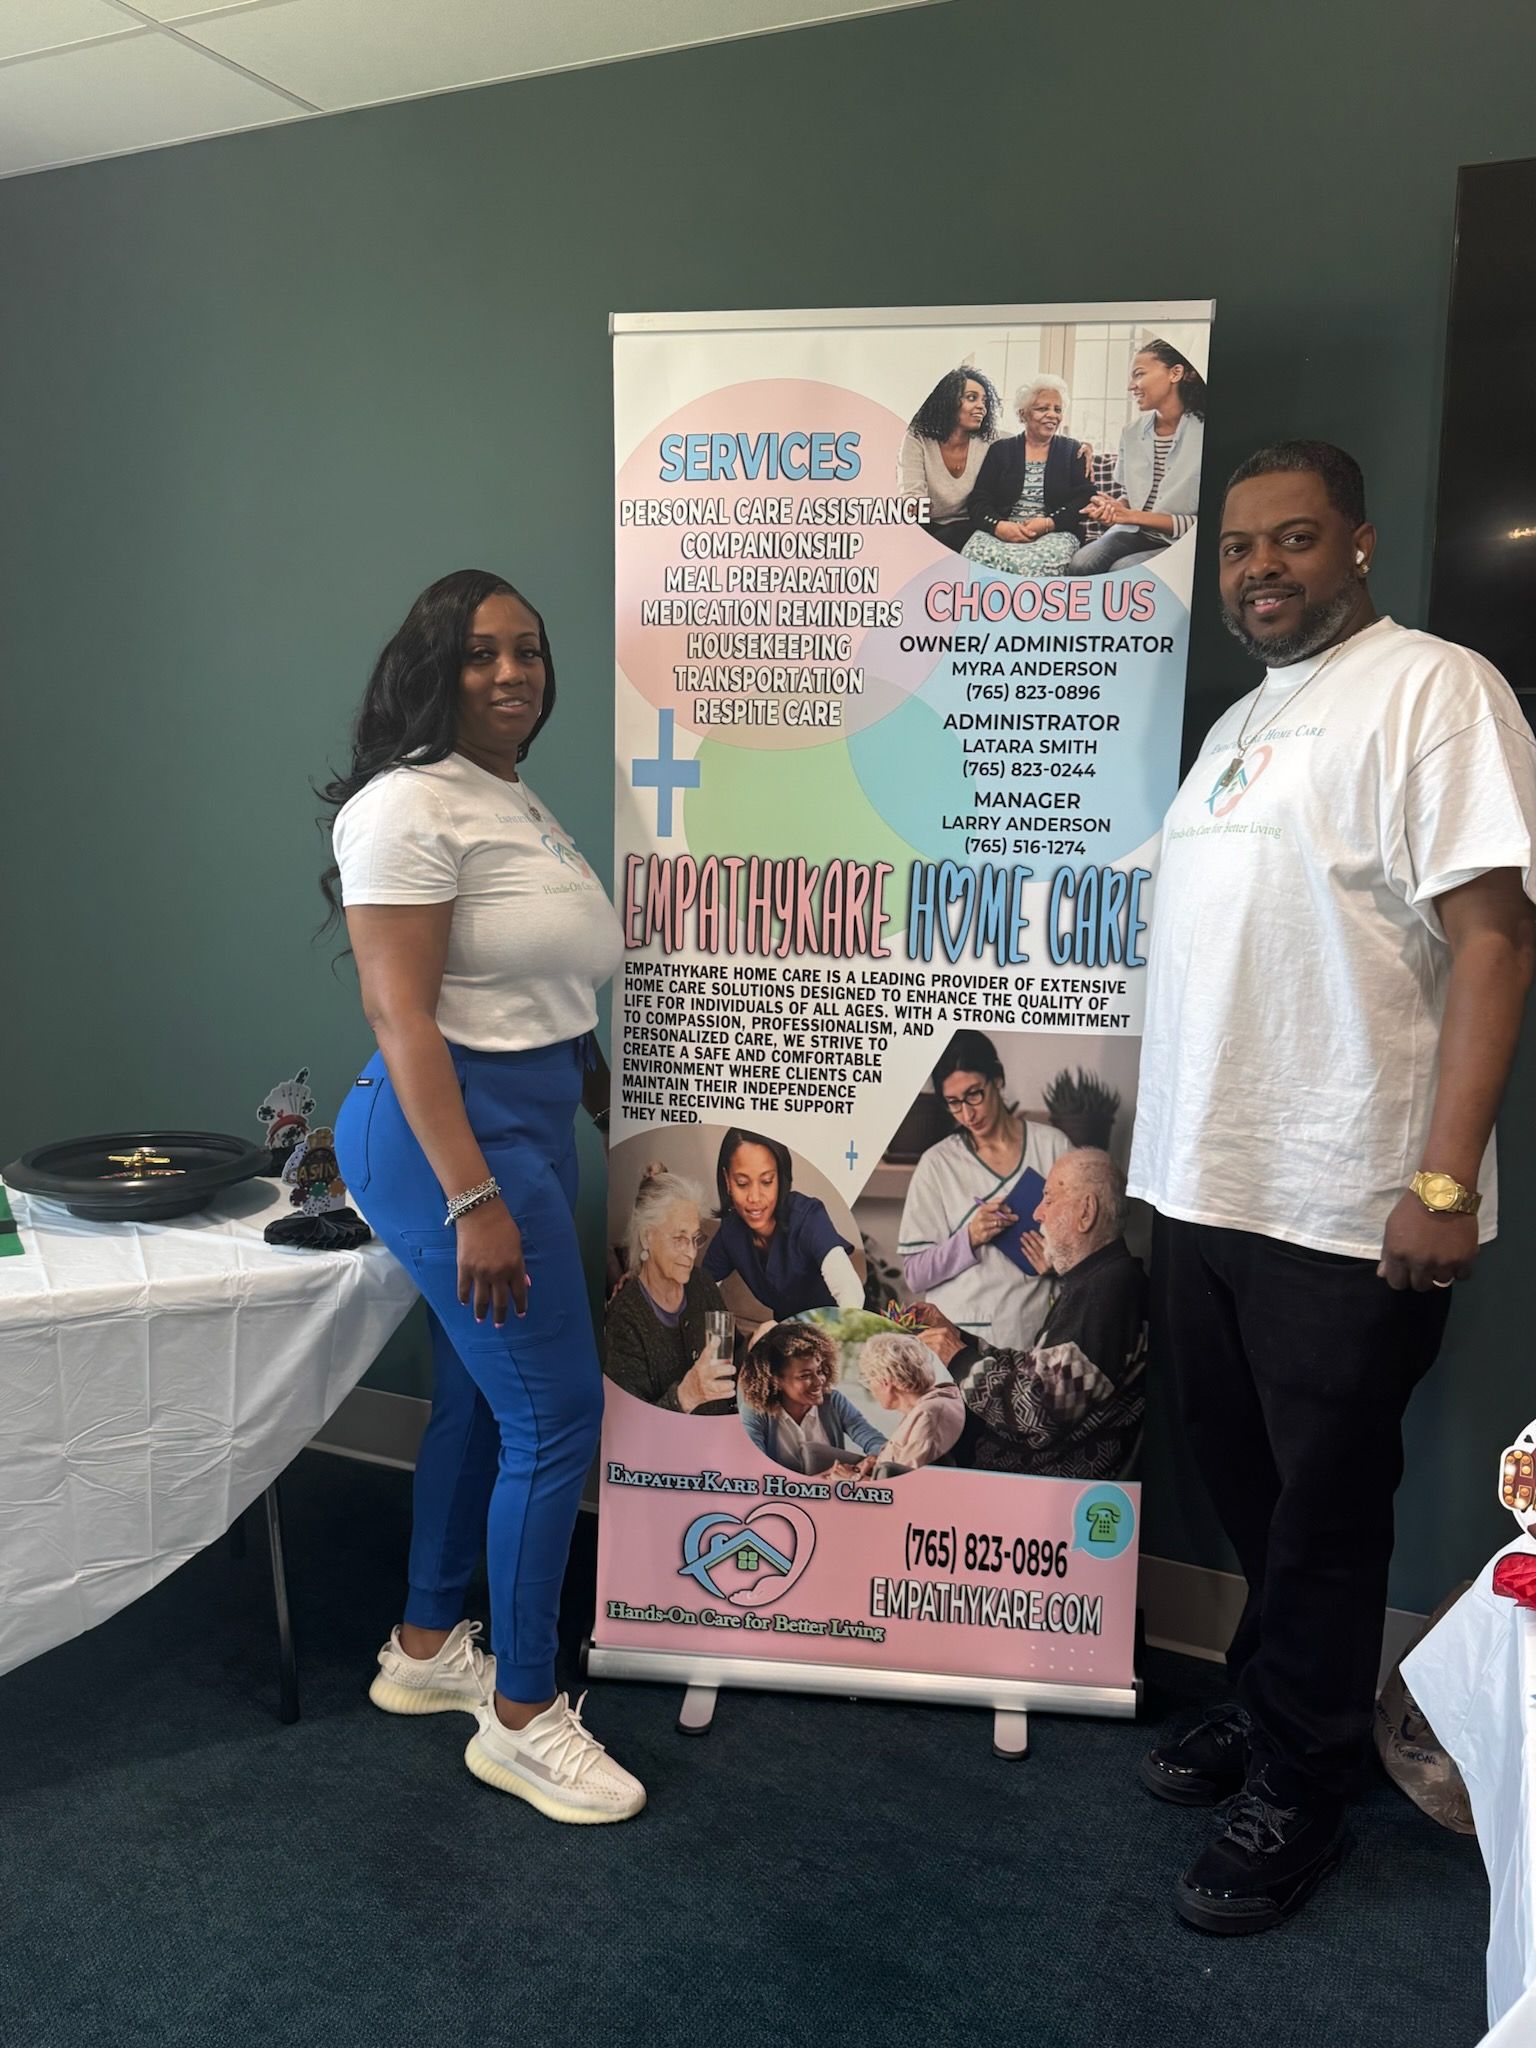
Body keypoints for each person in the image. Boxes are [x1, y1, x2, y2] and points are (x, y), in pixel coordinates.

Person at [1128, 442, 1536, 1932]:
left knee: (1325, 1506)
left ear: (1357, 544)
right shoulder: (1242, 717)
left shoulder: (1437, 691)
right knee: (1250, 1488)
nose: (1261, 570)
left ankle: (1306, 1776)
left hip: (1346, 1193)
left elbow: (1495, 941)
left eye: (1293, 541)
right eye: (1240, 548)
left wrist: (1444, 1177)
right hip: (1206, 1183)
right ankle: (1278, 1698)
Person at [324, 567, 645, 1825]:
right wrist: (473, 1201)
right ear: (431, 668)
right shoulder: (405, 804)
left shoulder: (507, 794)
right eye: (479, 654)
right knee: (557, 1413)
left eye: (529, 651)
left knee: (481, 1388)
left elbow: (548, 992)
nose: (513, 673)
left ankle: (421, 1646)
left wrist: (606, 1102)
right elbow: (400, 1016)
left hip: (518, 1118)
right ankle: (519, 1715)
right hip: (440, 1133)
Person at [913, 1149, 1146, 1478]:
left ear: (1086, 1211)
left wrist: (957, 1357)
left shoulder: (1108, 1290)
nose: (1037, 1213)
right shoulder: (1097, 1281)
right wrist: (955, 1337)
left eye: (1049, 1198)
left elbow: (1036, 1411)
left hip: (1036, 1491)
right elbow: (1034, 1374)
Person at [897, 1031, 1071, 1352]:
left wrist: (1057, 1262)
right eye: (954, 1103)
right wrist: (970, 1237)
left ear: (998, 1080)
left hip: (1036, 1336)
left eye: (974, 1094)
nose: (967, 1114)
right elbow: (915, 1275)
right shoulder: (937, 1164)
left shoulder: (1053, 1146)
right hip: (959, 1342)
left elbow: (1090, 1250)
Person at [1070, 339, 1207, 575]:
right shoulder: (1131, 432)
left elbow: (1207, 521)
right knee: (1082, 563)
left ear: (1175, 373)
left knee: (1123, 570)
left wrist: (1132, 515)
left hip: (1183, 541)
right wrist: (1113, 509)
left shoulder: (1206, 434)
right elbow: (1130, 498)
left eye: (1139, 374)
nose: (1131, 386)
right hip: (1137, 532)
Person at [604, 1171, 736, 1413]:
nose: (692, 1253)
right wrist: (685, 1396)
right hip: (670, 1448)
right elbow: (630, 1425)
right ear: (647, 1237)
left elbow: (733, 1357)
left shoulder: (702, 1283)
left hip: (720, 1434)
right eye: (679, 1238)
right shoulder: (624, 1318)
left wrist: (759, 1347)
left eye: (695, 1238)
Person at [703, 1128, 863, 1318]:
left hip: (837, 1334)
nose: (754, 1197)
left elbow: (851, 1295)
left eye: (767, 1181)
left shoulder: (807, 1217)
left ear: (780, 1178)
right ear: (727, 1180)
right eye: (742, 1183)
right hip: (784, 1339)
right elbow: (701, 1291)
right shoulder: (731, 1232)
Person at [962, 377, 1096, 578]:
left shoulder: (1073, 451)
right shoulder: (1001, 450)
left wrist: (1049, 523)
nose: (1052, 415)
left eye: (1057, 410)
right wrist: (998, 526)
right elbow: (979, 499)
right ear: (1022, 414)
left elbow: (1084, 500)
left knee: (1034, 566)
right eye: (1043, 409)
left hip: (1054, 532)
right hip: (1005, 528)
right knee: (973, 559)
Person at [738, 1322, 887, 1474]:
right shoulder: (754, 1412)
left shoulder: (834, 1401)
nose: (819, 1381)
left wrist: (871, 1459)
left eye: (820, 1371)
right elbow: (753, 1469)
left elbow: (875, 1441)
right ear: (776, 1380)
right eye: (805, 1376)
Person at [897, 367, 1003, 551]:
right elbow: (912, 494)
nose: (982, 407)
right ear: (947, 402)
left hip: (972, 525)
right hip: (928, 524)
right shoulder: (917, 437)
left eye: (984, 401)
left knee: (943, 542)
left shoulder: (988, 441)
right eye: (972, 398)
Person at [856, 1331, 965, 1473]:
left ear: (886, 1382)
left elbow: (905, 1484)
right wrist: (879, 1463)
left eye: (870, 1380)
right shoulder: (937, 1402)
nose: (870, 1387)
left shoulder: (928, 1414)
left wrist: (852, 1480)